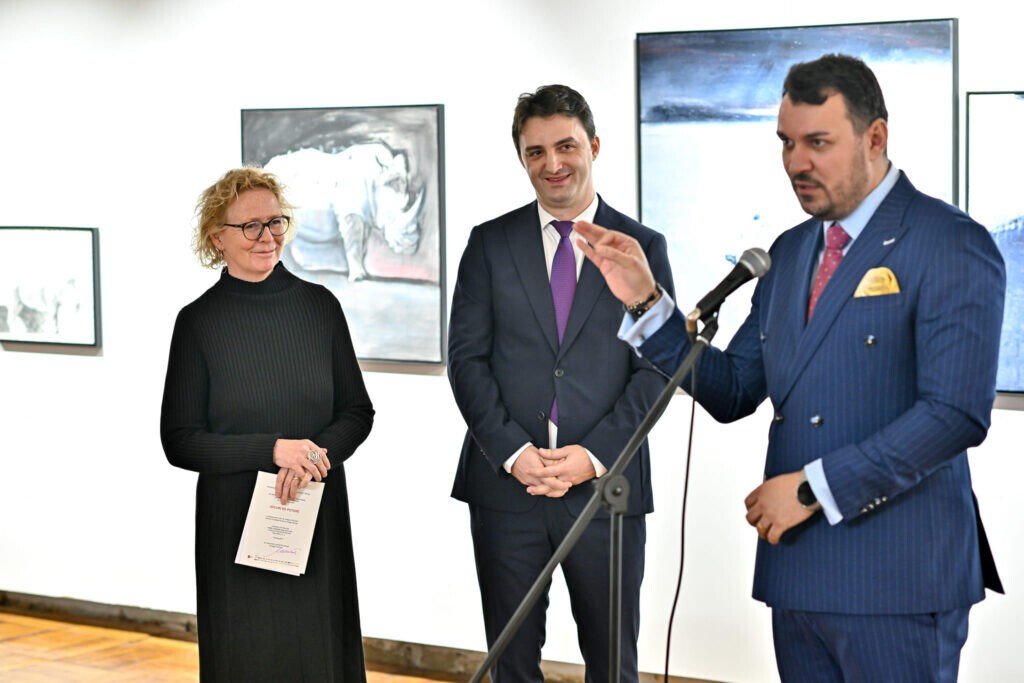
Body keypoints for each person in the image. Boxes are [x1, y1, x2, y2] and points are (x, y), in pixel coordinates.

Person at [575, 54, 1005, 681]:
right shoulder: (791, 251)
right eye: (786, 142)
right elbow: (733, 388)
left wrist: (810, 489)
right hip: (799, 572)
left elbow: (954, 415)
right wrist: (645, 302)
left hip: (899, 580)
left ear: (875, 138)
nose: (796, 163)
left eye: (818, 143)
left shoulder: (949, 242)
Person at [447, 84, 674, 682]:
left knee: (613, 667)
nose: (553, 164)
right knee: (511, 666)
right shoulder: (489, 244)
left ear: (594, 146)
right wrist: (514, 453)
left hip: (606, 492)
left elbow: (657, 369)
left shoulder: (642, 247)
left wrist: (592, 457)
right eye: (536, 151)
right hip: (507, 490)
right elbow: (466, 361)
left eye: (566, 146)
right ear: (522, 158)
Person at [160, 167, 374, 681]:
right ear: (218, 237)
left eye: (275, 222)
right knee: (247, 657)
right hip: (235, 525)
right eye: (250, 226)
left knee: (319, 654)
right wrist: (274, 451)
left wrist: (313, 457)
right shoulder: (198, 322)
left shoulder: (320, 306)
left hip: (314, 510)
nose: (267, 236)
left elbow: (356, 412)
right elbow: (180, 441)